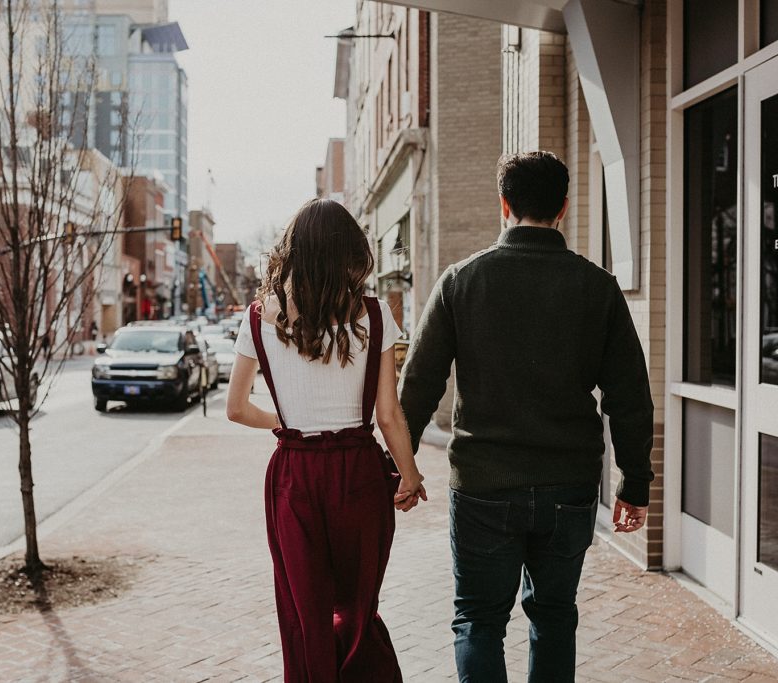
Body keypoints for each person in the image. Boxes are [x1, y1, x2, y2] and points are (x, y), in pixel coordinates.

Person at [399, 151, 654, 683]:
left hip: (483, 487)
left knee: (478, 621)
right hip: (569, 486)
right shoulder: (598, 287)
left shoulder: (459, 282)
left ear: (503, 205)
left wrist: (402, 468)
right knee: (555, 616)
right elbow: (630, 395)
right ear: (563, 207)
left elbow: (419, 385)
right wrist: (635, 484)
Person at [226, 198, 427, 682]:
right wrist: (411, 474)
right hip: (359, 471)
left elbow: (235, 409)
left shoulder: (258, 320)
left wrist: (289, 420)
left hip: (293, 476)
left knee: (305, 614)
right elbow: (389, 414)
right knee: (359, 608)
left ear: (291, 255)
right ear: (350, 255)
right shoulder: (376, 316)